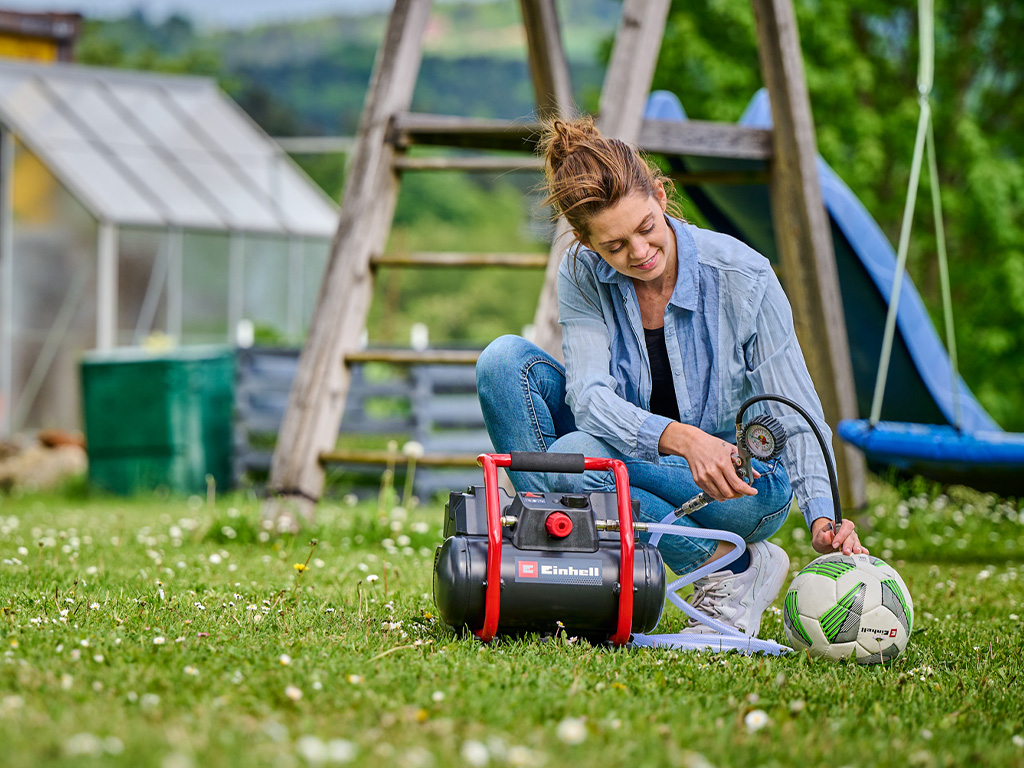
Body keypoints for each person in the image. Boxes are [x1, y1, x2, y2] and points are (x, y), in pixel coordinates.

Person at [475, 116, 867, 638]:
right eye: (614, 246)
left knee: (579, 458)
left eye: (645, 229)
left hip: (742, 484)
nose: (638, 254)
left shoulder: (744, 277)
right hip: (640, 457)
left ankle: (731, 571)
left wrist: (822, 514)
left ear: (660, 197)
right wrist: (682, 440)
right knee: (503, 363)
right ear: (587, 243)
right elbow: (590, 399)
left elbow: (795, 408)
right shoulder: (581, 272)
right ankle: (560, 565)